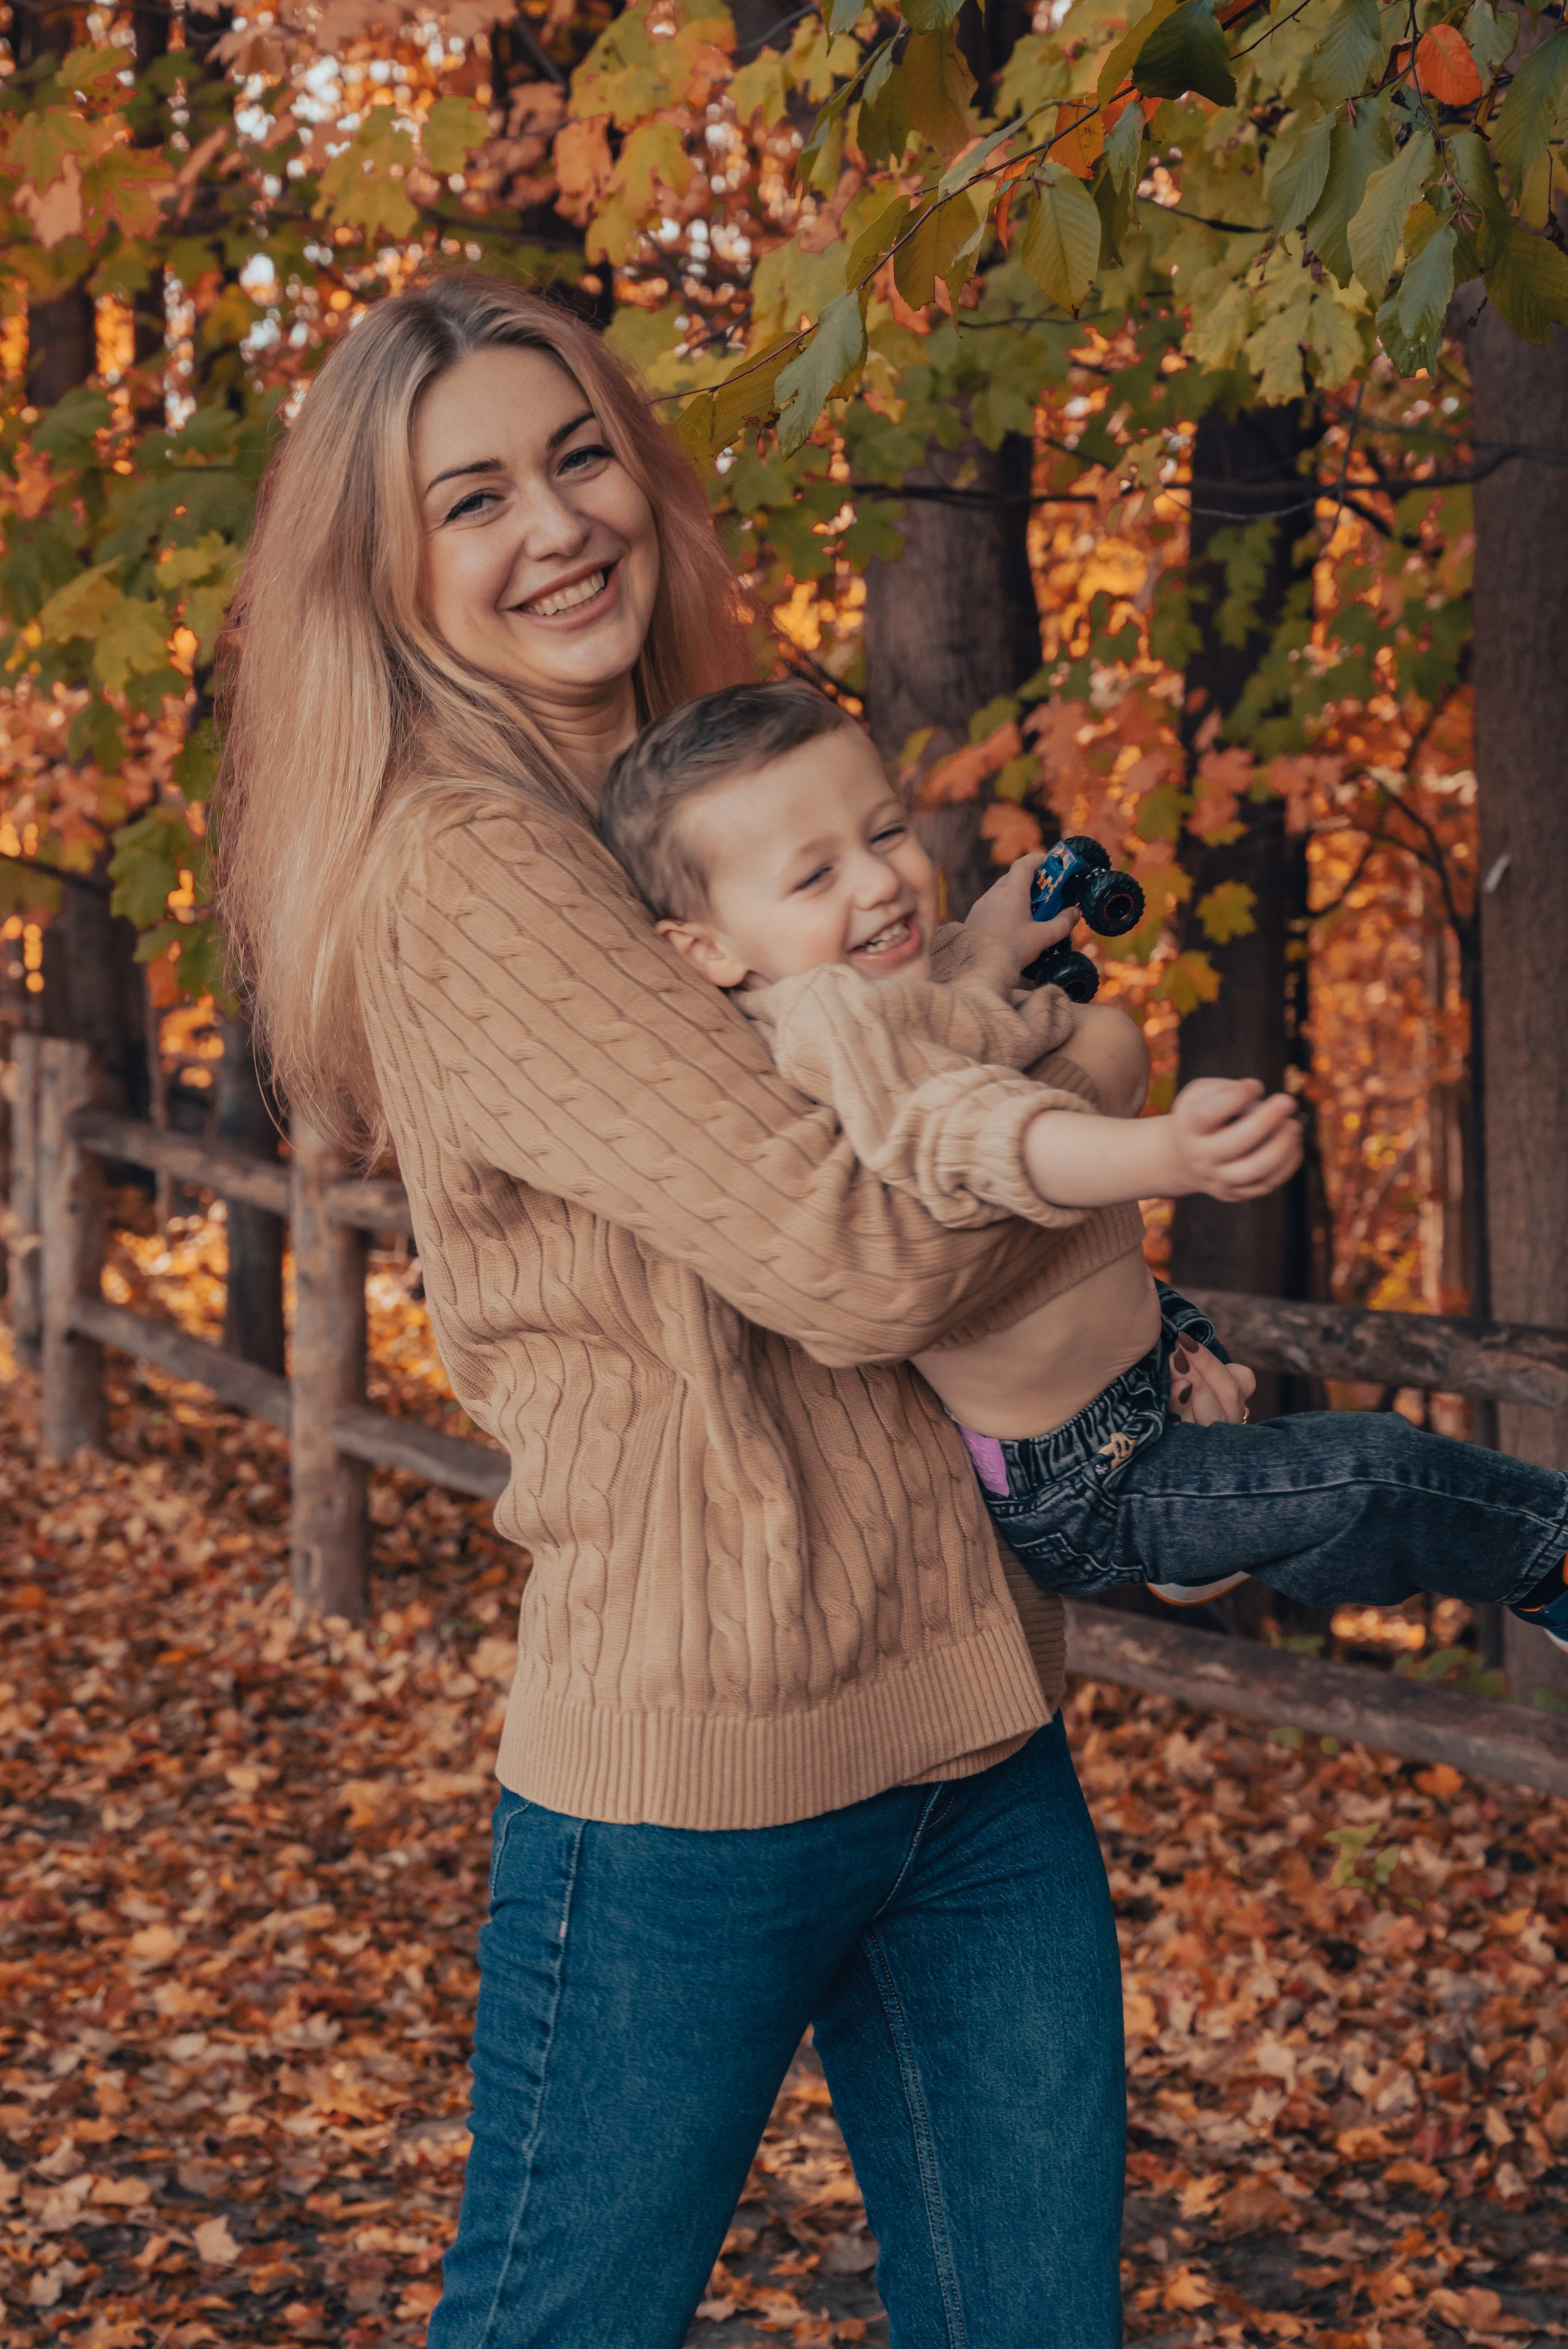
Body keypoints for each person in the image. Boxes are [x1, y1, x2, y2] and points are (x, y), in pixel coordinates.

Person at [215, 273, 1129, 2349]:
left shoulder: (713, 811)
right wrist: (1080, 1095)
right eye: (470, 498)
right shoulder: (466, 863)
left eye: (578, 454)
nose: (555, 523)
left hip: (972, 1725)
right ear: (384, 564)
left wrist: (1006, 1045)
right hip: (696, 1780)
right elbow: (852, 1247)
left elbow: (914, 1094)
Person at [597, 677, 1568, 1653]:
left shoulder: (881, 980)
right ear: (706, 948)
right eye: (815, 877)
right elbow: (967, 1126)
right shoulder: (829, 1018)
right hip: (1088, 1476)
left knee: (1324, 1497)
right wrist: (1165, 1152)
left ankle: (1210, 1542)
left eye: (885, 834)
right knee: (1367, 1473)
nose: (879, 882)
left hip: (1137, 1371)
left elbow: (951, 1012)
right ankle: (1554, 1560)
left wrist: (990, 942)